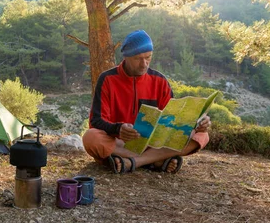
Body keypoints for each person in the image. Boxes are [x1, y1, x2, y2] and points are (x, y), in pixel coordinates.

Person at [82, 30, 211, 174]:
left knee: (201, 136)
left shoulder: (160, 81)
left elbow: (174, 121)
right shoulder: (107, 79)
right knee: (91, 137)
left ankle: (133, 162)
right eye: (138, 58)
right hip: (118, 142)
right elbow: (96, 121)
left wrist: (199, 123)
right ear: (126, 57)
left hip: (152, 145)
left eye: (148, 57)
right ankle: (155, 161)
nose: (144, 64)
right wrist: (118, 129)